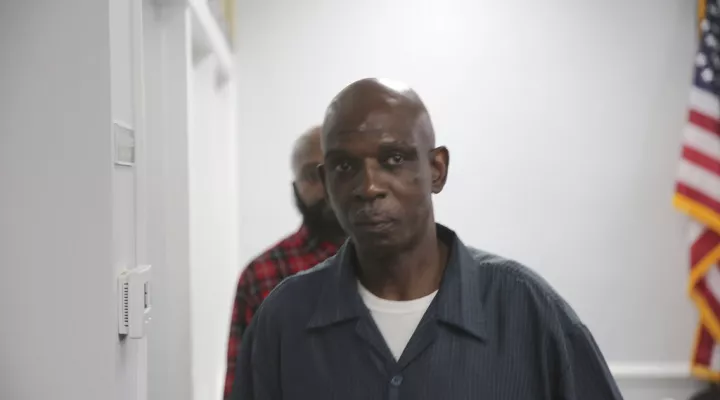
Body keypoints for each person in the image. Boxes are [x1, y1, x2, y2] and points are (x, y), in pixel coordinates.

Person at [230, 78, 623, 400]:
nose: (368, 186)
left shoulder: (526, 310)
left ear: (436, 169)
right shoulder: (284, 320)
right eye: (345, 166)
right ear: (327, 181)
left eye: (393, 159)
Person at [222, 126, 346, 400]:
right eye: (313, 174)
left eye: (340, 168)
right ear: (295, 188)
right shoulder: (262, 275)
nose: (326, 186)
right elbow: (241, 387)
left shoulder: (396, 265)